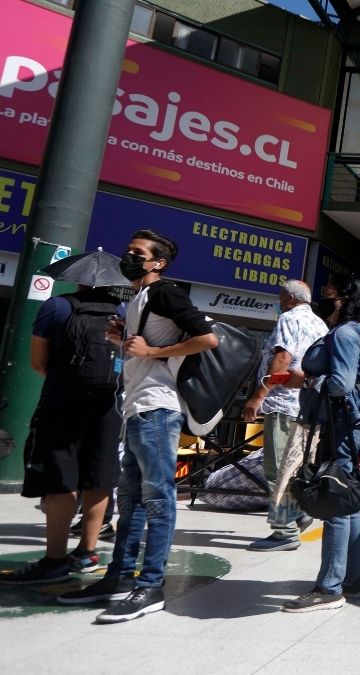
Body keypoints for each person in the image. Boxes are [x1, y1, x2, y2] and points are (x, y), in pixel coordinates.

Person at [57, 230, 218, 623]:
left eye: (137, 252)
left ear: (157, 262)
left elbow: (207, 338)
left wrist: (152, 351)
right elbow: (143, 351)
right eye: (128, 249)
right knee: (129, 500)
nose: (128, 255)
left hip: (157, 410)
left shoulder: (165, 292)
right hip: (137, 408)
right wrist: (124, 339)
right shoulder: (140, 298)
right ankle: (118, 577)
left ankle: (151, 586)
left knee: (158, 498)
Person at [1, 284, 123, 585]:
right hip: (109, 404)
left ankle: (54, 560)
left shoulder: (56, 306)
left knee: (60, 476)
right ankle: (87, 554)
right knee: (99, 476)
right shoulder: (121, 310)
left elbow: (38, 362)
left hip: (62, 401)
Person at [282, 275, 360, 612]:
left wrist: (309, 380)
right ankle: (352, 580)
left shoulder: (349, 332)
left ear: (345, 297)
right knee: (348, 499)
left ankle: (329, 587)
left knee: (335, 495)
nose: (325, 295)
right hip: (349, 422)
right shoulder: (355, 330)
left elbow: (340, 383)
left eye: (330, 291)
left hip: (341, 422)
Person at [242, 280, 328, 552]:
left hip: (282, 403)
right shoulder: (321, 325)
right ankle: (299, 513)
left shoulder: (288, 319)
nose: (279, 302)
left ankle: (284, 531)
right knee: (297, 468)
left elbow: (282, 359)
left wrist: (259, 396)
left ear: (289, 298)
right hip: (307, 407)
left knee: (277, 469)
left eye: (281, 297)